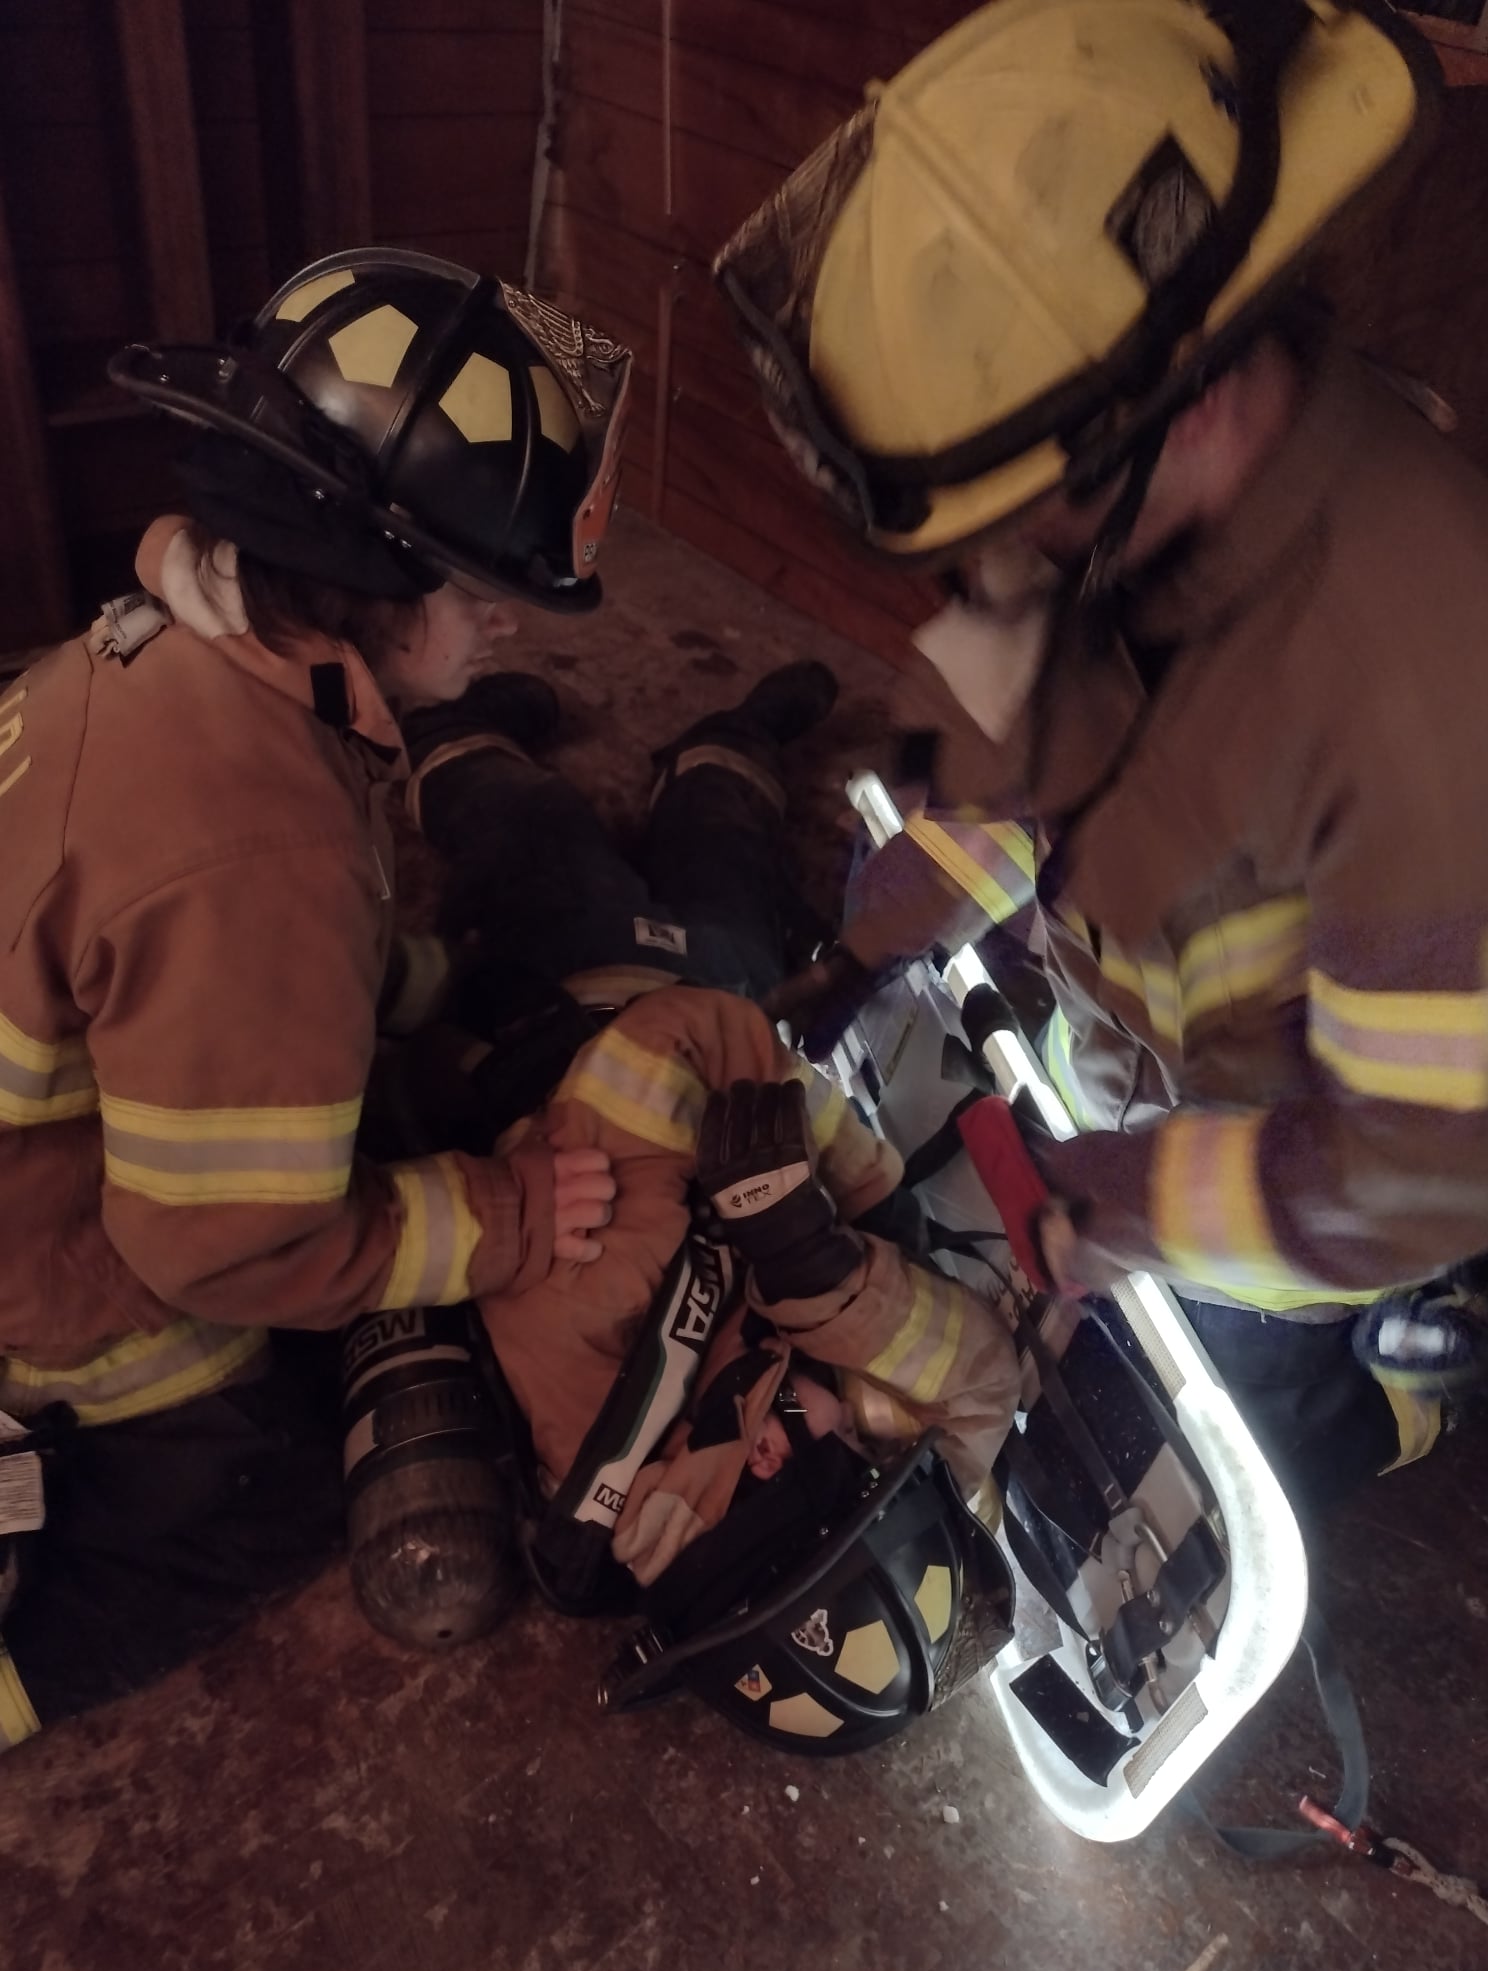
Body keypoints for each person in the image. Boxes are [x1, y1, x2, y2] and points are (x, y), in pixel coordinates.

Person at [712, 0, 1488, 1514]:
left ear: (1180, 405)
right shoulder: (1107, 508)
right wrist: (866, 945)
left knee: (1240, 1437)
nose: (997, 565)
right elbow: (1003, 749)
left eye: (1021, 515)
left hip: (1310, 1208)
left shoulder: (1418, 673)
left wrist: (1121, 1202)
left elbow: (1404, 1164)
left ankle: (1411, 1382)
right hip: (1141, 1085)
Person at [0, 248, 630, 1747]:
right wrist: (509, 1219)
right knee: (266, 1487)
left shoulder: (181, 648)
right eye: (481, 593)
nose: (503, 629)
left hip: (64, 1112)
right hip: (42, 1249)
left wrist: (400, 988)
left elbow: (243, 959)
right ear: (371, 572)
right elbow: (220, 1243)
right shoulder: (250, 834)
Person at [370, 665, 1022, 1607]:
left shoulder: (606, 1325)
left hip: (572, 999)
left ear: (764, 1449)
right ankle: (729, 738)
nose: (877, 1441)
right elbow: (981, 1393)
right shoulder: (779, 1457)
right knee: (726, 838)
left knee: (528, 827)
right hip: (721, 1007)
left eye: (856, 1452)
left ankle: (450, 733)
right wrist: (835, 1268)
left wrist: (824, 1188)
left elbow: (675, 1037)